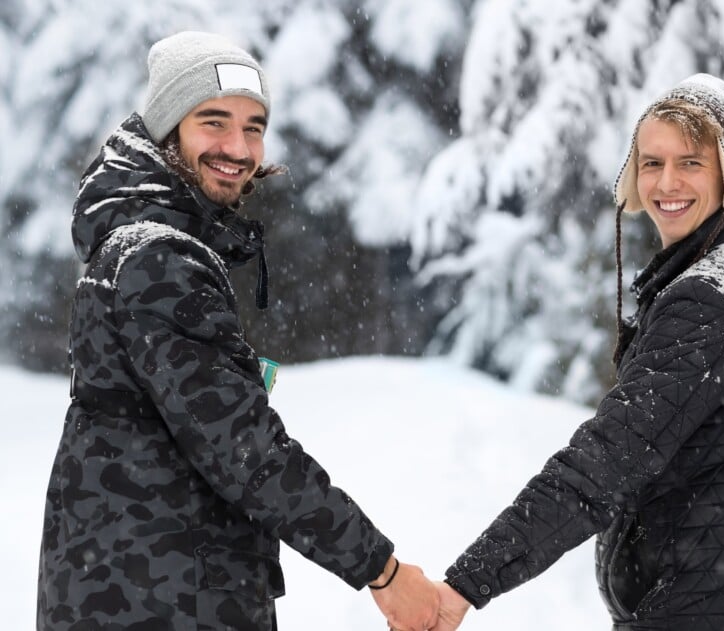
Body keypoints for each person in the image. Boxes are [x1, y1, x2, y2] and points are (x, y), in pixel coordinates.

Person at [36, 31, 438, 631]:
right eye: (214, 122)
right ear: (169, 127)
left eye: (254, 127)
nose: (238, 147)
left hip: (139, 587)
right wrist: (383, 571)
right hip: (161, 600)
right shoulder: (158, 259)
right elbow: (243, 449)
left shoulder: (142, 245)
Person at [431, 74, 724, 630]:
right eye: (652, 162)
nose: (667, 182)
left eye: (691, 163)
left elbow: (603, 464)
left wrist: (466, 585)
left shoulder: (711, 303)